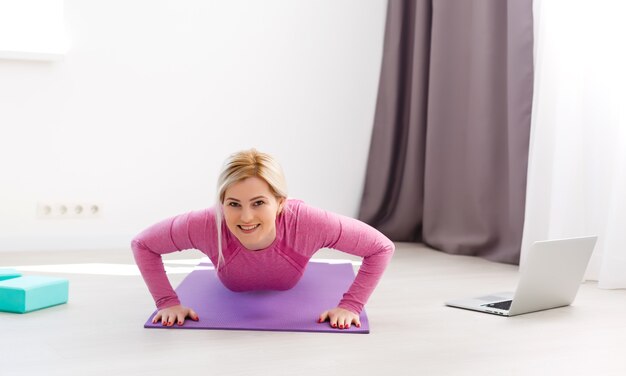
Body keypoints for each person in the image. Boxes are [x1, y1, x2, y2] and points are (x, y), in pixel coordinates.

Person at [131, 149, 394, 330]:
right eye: (233, 203)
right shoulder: (207, 223)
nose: (246, 217)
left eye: (258, 203)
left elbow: (381, 247)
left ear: (280, 203)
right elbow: (142, 244)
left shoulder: (307, 223)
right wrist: (167, 302)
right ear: (221, 203)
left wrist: (351, 306)